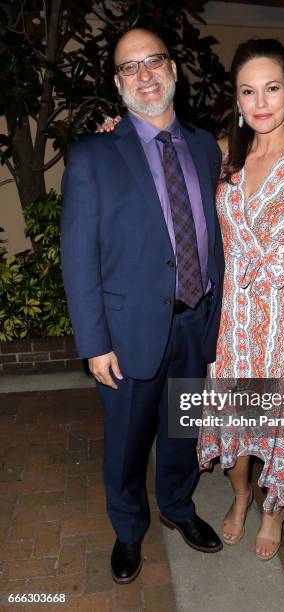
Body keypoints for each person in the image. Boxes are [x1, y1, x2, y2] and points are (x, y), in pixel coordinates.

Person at [60, 28, 225, 585]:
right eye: (130, 67)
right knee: (127, 442)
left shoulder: (205, 147)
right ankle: (128, 529)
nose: (144, 74)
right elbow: (78, 256)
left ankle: (177, 507)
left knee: (183, 430)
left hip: (196, 321)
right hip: (127, 332)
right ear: (117, 83)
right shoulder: (91, 155)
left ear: (174, 69)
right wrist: (93, 342)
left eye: (153, 61)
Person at [197, 38, 284, 561]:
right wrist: (114, 129)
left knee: (279, 414)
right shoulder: (221, 154)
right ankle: (240, 495)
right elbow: (158, 156)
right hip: (233, 306)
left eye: (271, 89)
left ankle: (273, 509)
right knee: (235, 409)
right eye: (248, 91)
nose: (260, 102)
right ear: (236, 100)